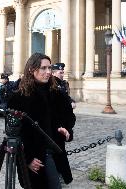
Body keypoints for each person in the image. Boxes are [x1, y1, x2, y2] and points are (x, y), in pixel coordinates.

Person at [8, 53, 76, 189]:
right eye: (43, 68)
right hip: (36, 156)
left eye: (49, 68)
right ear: (31, 69)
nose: (48, 72)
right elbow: (14, 132)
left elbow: (69, 117)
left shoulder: (57, 93)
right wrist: (27, 159)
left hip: (56, 151)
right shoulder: (18, 96)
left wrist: (65, 128)